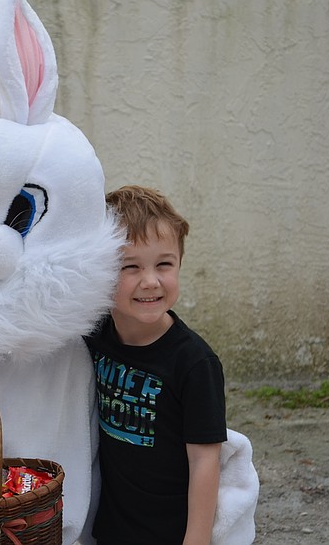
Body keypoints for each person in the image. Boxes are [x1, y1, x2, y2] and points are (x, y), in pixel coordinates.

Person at [85, 185, 227, 545]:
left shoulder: (195, 363)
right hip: (110, 529)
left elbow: (204, 461)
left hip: (169, 532)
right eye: (129, 266)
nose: (150, 281)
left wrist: (197, 539)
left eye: (164, 264)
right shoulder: (95, 335)